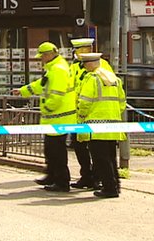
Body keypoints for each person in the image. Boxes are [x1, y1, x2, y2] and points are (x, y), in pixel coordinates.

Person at [13, 41, 76, 192]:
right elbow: (40, 85)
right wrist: (23, 91)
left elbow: (57, 95)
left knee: (57, 150)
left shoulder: (58, 70)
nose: (40, 59)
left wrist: (47, 108)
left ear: (49, 55)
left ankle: (62, 181)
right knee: (50, 149)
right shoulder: (53, 68)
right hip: (54, 117)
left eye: (42, 56)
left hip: (59, 116)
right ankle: (52, 175)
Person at [75, 52, 127, 198]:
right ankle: (115, 185)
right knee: (110, 158)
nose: (84, 67)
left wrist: (81, 115)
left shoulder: (92, 79)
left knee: (100, 159)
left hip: (95, 126)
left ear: (90, 64)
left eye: (84, 64)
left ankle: (109, 188)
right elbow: (122, 102)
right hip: (113, 125)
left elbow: (84, 101)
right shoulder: (114, 79)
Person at [67, 37, 114, 189]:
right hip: (78, 113)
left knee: (98, 150)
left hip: (95, 114)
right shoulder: (74, 67)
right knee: (79, 146)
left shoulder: (101, 65)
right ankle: (87, 175)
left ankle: (97, 177)